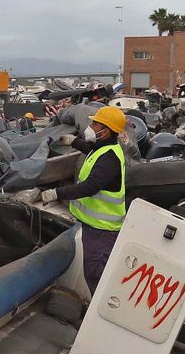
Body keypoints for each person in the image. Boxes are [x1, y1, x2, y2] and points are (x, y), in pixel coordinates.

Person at [38, 106, 127, 294]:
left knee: (96, 274)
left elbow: (89, 187)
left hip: (102, 230)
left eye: (96, 124)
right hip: (94, 226)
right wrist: (74, 141)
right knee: (93, 273)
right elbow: (91, 147)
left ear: (107, 130)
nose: (91, 126)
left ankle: (101, 316)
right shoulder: (105, 146)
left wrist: (56, 193)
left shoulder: (109, 159)